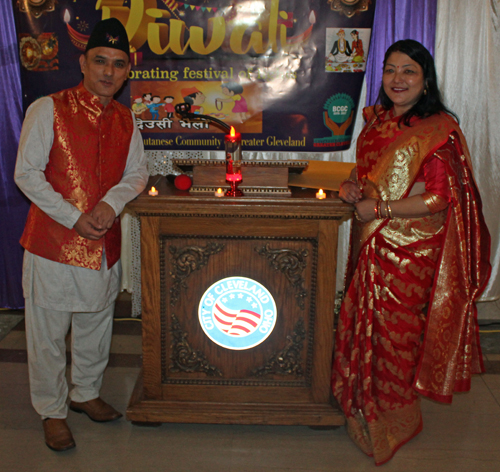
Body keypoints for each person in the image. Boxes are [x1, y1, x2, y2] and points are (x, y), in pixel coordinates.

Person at [332, 39, 491, 465]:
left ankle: (398, 415)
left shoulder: (437, 129)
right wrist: (351, 185)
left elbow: (440, 197)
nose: (397, 79)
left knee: (397, 332)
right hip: (371, 240)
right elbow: (364, 172)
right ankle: (364, 399)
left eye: (409, 71)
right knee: (368, 324)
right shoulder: (377, 121)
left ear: (425, 82)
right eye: (390, 70)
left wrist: (380, 207)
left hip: (411, 251)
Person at [14, 18, 149, 452]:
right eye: (100, 61)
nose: (109, 72)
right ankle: (52, 411)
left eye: (118, 64)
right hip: (53, 246)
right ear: (83, 62)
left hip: (103, 245)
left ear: (128, 70)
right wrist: (73, 218)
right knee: (48, 335)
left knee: (96, 325)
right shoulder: (48, 109)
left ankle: (85, 392)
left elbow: (137, 174)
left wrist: (110, 205)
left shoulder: (128, 120)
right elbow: (26, 175)